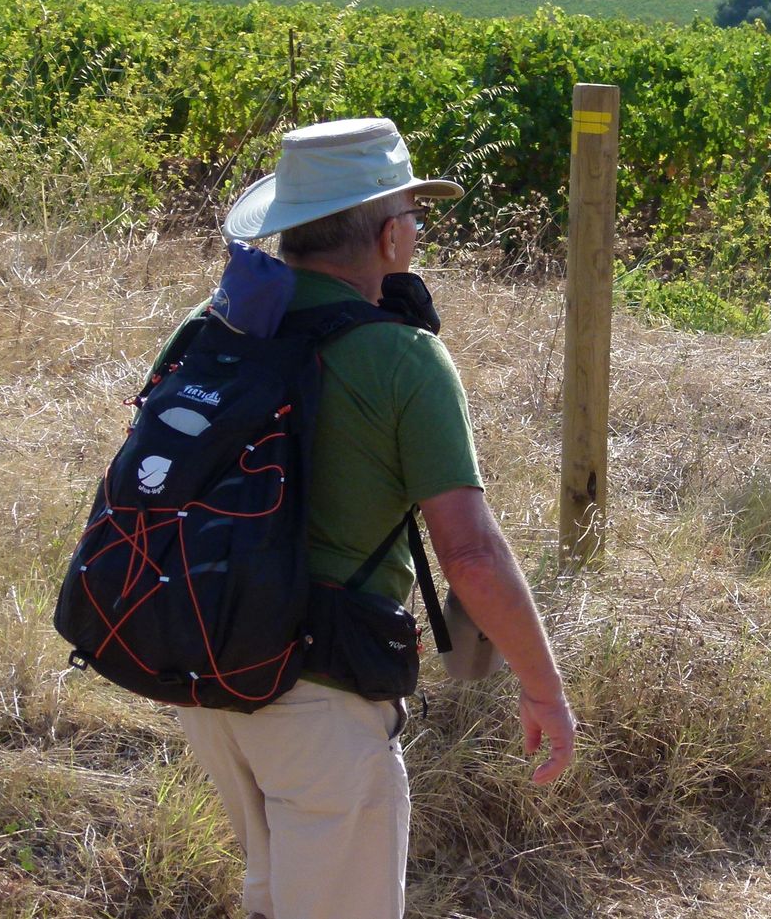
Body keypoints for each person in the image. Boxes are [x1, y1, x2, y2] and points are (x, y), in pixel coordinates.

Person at [174, 118, 576, 919]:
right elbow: (470, 556)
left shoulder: (213, 326)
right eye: (414, 215)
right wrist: (544, 689)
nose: (419, 230)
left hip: (207, 676)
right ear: (391, 236)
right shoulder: (403, 357)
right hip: (319, 699)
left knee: (271, 901)